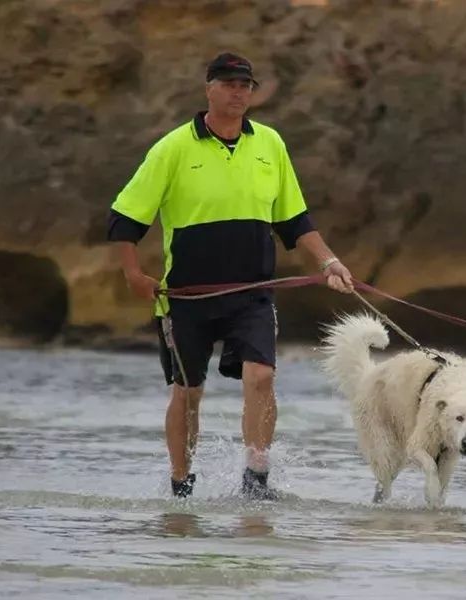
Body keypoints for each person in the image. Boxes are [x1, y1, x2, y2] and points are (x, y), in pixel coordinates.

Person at [107, 52, 353, 500]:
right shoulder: (173, 148)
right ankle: (181, 484)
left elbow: (294, 219)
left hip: (253, 293)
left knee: (261, 377)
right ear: (209, 89)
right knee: (189, 392)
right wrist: (133, 274)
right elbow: (126, 218)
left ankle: (256, 478)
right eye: (228, 83)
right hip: (187, 298)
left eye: (246, 85)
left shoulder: (270, 145)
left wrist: (329, 261)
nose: (238, 92)